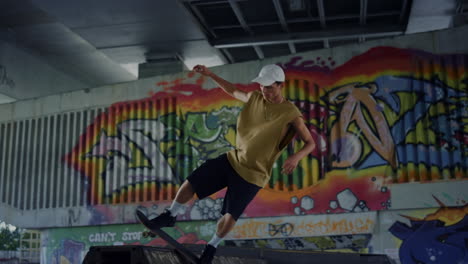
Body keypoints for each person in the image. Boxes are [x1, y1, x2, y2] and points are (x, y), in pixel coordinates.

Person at [146, 64, 315, 264]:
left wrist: (295, 157)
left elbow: (310, 142)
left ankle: (211, 247)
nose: (264, 90)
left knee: (229, 215)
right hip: (233, 159)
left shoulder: (291, 113)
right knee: (191, 182)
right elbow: (233, 90)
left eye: (269, 87)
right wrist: (210, 74)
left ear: (281, 85)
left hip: (254, 174)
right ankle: (170, 215)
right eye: (262, 86)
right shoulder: (254, 98)